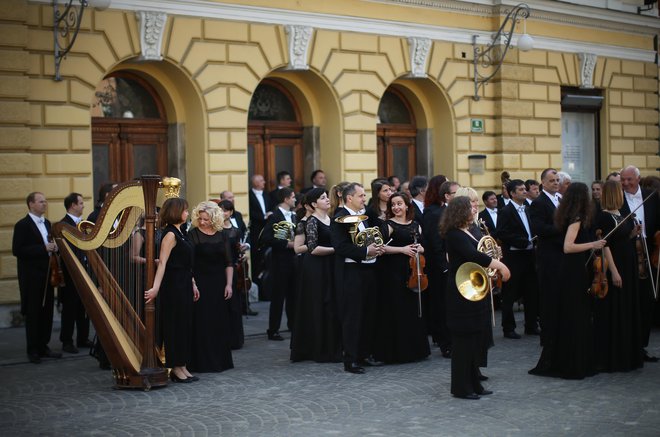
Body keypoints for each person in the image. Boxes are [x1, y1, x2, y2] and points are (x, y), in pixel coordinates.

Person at [532, 183, 606, 379]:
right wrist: (594, 244)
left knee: (575, 315)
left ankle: (575, 360)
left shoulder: (573, 216)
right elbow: (568, 247)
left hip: (574, 269)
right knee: (575, 315)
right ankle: (573, 362)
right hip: (572, 270)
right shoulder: (576, 218)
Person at [439, 196, 510, 399]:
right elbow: (474, 256)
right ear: (460, 212)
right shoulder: (453, 234)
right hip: (460, 292)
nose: (474, 210)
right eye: (470, 208)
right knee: (463, 341)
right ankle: (461, 387)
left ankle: (474, 383)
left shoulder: (465, 231)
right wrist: (500, 266)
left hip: (471, 289)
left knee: (473, 338)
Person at [331, 182, 386, 374]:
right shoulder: (339, 217)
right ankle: (351, 359)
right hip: (351, 271)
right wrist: (365, 251)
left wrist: (374, 247)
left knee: (369, 314)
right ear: (349, 198)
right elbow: (340, 247)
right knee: (353, 316)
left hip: (368, 269)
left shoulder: (363, 215)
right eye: (361, 196)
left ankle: (364, 354)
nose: (364, 199)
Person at [145, 197, 199, 383]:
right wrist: (155, 288)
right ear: (176, 212)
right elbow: (162, 264)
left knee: (185, 324)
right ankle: (176, 367)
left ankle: (182, 364)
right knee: (175, 325)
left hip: (184, 282)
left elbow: (187, 263)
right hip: (173, 284)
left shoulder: (181, 232)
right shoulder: (170, 234)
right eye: (185, 210)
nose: (187, 213)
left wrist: (193, 283)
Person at [374, 192, 430, 363]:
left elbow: (424, 245)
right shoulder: (388, 225)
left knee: (412, 310)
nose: (396, 207)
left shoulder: (416, 225)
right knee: (396, 310)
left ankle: (415, 351)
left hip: (413, 271)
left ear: (407, 206)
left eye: (399, 204)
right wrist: (402, 249)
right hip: (392, 273)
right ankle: (395, 353)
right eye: (393, 205)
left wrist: (420, 248)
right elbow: (379, 248)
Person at [593, 180, 643, 372]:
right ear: (615, 194)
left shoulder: (622, 215)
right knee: (616, 309)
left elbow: (622, 240)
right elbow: (605, 245)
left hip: (628, 263)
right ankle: (614, 357)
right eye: (620, 192)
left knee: (627, 307)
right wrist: (613, 271)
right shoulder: (604, 217)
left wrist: (632, 233)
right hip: (617, 265)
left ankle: (628, 354)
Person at [290, 188, 342, 363]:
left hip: (330, 264)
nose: (327, 199)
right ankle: (317, 349)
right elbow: (311, 248)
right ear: (313, 204)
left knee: (331, 305)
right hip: (316, 267)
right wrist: (338, 250)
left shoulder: (331, 219)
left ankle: (331, 346)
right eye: (322, 198)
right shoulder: (310, 221)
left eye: (327, 196)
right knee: (318, 304)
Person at [13, 192, 62, 364]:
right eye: (41, 201)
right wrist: (43, 248)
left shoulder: (48, 223)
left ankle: (44, 345)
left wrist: (55, 247)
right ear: (31, 204)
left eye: (45, 201)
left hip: (48, 274)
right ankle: (33, 349)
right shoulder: (22, 225)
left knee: (47, 310)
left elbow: (50, 244)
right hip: (32, 277)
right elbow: (18, 250)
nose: (45, 204)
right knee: (34, 311)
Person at [187, 201, 234, 372]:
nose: (202, 222)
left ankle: (220, 361)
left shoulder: (222, 235)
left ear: (213, 218)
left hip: (219, 282)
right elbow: (189, 264)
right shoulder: (193, 234)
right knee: (202, 322)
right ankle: (202, 362)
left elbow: (229, 262)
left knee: (219, 321)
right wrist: (192, 284)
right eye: (200, 218)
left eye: (206, 219)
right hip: (200, 283)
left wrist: (229, 284)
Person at [620, 165, 659, 362]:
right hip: (628, 251)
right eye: (623, 180)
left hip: (649, 251)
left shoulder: (652, 195)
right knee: (629, 299)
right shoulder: (618, 198)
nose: (626, 183)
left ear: (638, 178)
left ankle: (642, 346)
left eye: (629, 179)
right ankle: (627, 345)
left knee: (646, 300)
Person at [529, 168, 563, 374]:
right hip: (549, 256)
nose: (556, 183)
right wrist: (563, 228)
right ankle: (548, 334)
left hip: (563, 254)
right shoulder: (539, 203)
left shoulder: (561, 198)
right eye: (551, 180)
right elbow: (539, 228)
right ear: (543, 183)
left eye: (557, 179)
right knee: (549, 296)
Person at [496, 180, 540, 339]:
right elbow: (501, 232)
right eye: (521, 189)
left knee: (531, 291)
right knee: (510, 292)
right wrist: (520, 241)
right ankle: (508, 328)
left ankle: (531, 325)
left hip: (529, 255)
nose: (524, 191)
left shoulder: (528, 209)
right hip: (513, 257)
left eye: (524, 189)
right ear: (512, 193)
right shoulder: (505, 211)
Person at [260, 187, 297, 341]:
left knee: (293, 295)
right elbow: (266, 239)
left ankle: (293, 325)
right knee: (278, 297)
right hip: (280, 260)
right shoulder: (275, 216)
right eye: (293, 197)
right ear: (286, 199)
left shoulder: (294, 215)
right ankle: (273, 329)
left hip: (294, 260)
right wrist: (286, 244)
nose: (295, 199)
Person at [422, 176, 453, 358]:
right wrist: (444, 267)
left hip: (445, 264)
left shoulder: (443, 210)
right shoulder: (433, 212)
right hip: (438, 267)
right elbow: (435, 243)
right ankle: (444, 342)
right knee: (440, 306)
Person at [58, 192, 91, 354]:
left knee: (84, 307)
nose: (83, 205)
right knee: (70, 308)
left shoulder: (84, 224)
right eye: (81, 203)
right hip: (70, 274)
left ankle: (83, 338)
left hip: (84, 272)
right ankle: (67, 341)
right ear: (73, 205)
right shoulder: (63, 225)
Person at [219, 191, 257, 316]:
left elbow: (245, 233)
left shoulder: (239, 215)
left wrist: (246, 245)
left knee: (242, 279)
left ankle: (245, 306)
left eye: (233, 197)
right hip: (226, 257)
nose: (232, 199)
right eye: (229, 198)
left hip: (239, 255)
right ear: (222, 199)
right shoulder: (218, 224)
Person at [217, 199, 246, 350]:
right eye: (221, 210)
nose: (224, 212)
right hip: (219, 269)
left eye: (227, 210)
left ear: (231, 212)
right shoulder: (216, 230)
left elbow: (237, 250)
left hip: (233, 269)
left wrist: (242, 251)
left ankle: (235, 339)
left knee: (234, 303)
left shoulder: (236, 231)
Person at [248, 174, 272, 296]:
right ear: (255, 183)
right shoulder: (249, 196)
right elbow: (250, 212)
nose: (264, 182)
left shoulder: (267, 195)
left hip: (267, 232)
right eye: (262, 180)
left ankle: (266, 289)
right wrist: (263, 217)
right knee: (256, 259)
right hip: (255, 233)